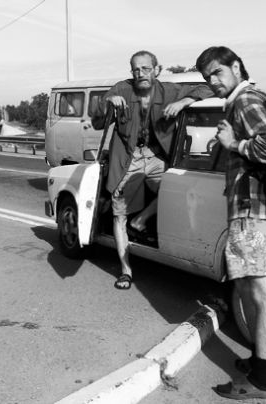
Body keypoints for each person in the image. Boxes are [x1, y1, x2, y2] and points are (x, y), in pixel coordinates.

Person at [196, 46, 266, 400]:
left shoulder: (246, 100)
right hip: (250, 212)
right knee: (251, 290)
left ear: (236, 67)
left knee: (262, 293)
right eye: (207, 77)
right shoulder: (239, 102)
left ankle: (262, 380)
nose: (213, 81)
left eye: (218, 72)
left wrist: (234, 143)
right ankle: (258, 362)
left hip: (254, 213)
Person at [92, 50, 213, 290]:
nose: (141, 73)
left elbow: (208, 88)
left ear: (157, 70)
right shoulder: (121, 89)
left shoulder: (170, 91)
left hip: (157, 157)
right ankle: (125, 270)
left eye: (146, 68)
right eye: (136, 69)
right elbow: (97, 122)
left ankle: (142, 220)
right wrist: (107, 104)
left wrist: (184, 101)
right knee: (119, 213)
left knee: (177, 190)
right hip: (128, 158)